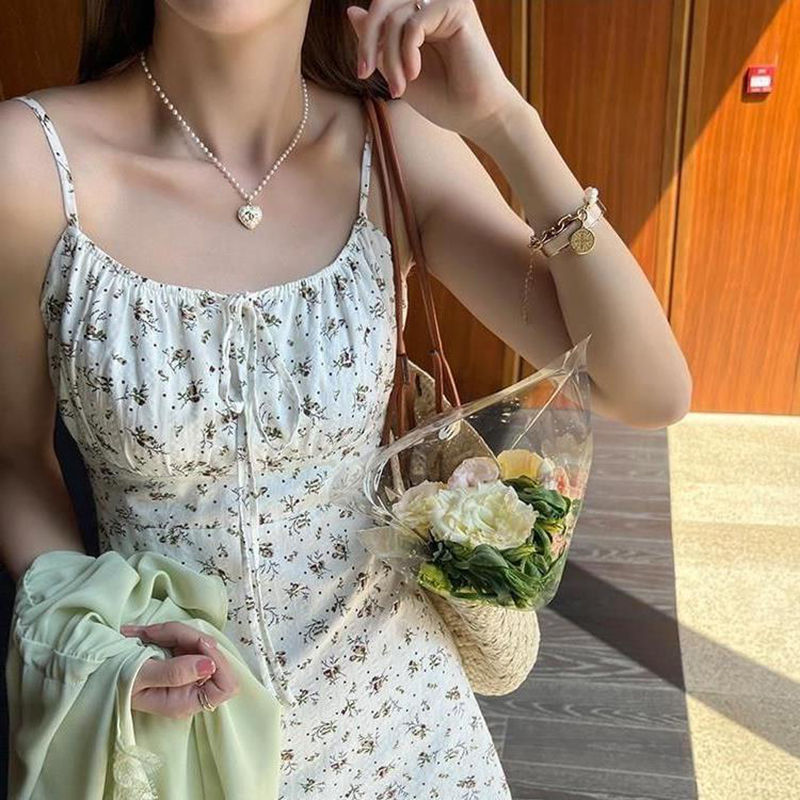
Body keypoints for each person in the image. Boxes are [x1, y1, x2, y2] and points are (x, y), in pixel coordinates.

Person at [0, 0, 693, 796]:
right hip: (170, 749)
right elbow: (13, 456)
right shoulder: (30, 163)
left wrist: (505, 121)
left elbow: (648, 391)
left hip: (408, 737)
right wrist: (94, 639)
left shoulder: (391, 150)